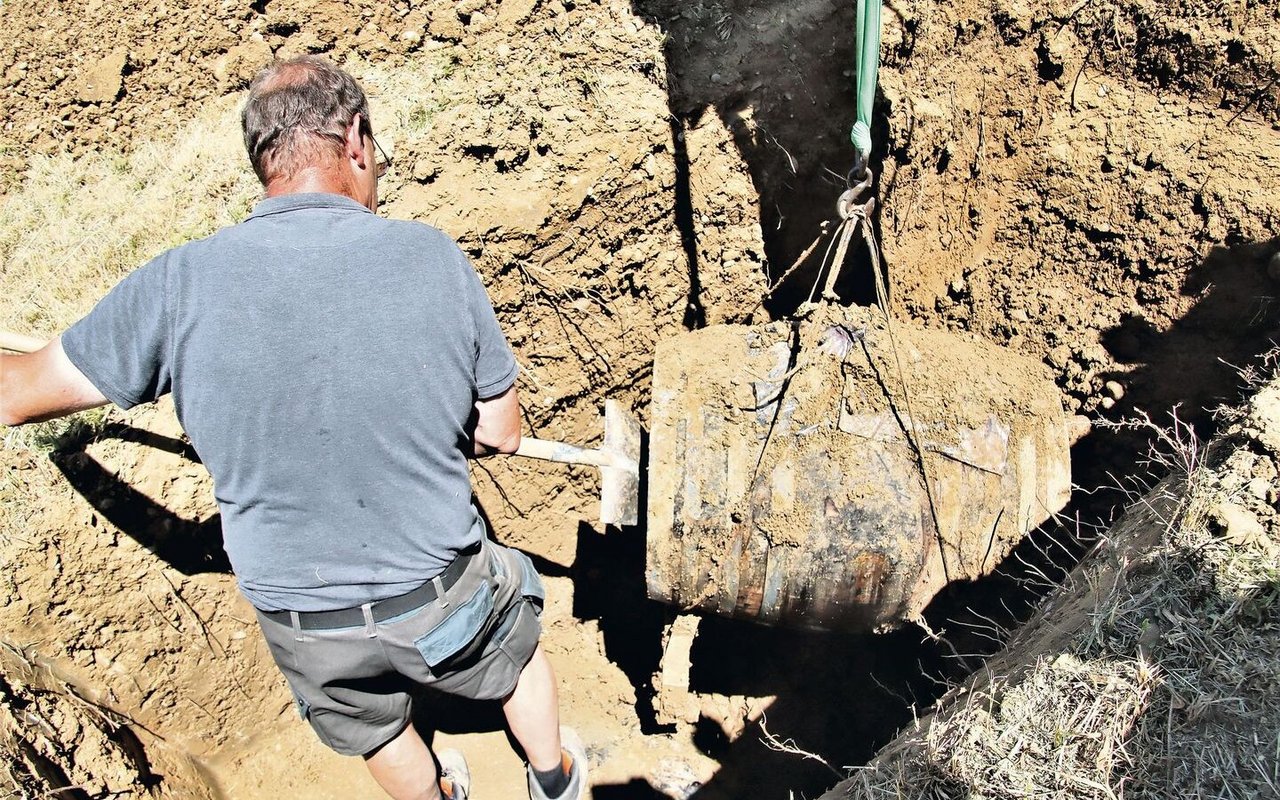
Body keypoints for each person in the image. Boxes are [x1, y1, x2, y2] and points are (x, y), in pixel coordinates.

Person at [0, 55, 587, 800]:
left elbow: (14, 397)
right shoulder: (431, 258)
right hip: (438, 598)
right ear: (358, 141)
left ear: (261, 160)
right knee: (514, 650)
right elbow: (501, 433)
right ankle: (553, 780)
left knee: (376, 729)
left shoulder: (179, 283)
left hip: (305, 623)